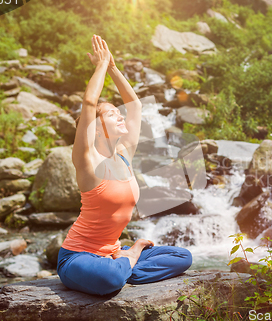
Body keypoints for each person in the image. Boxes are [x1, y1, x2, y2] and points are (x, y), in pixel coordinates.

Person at [56, 35, 192, 296]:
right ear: (96, 129)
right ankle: (127, 260)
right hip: (77, 257)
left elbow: (136, 106)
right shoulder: (87, 160)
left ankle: (122, 265)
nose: (119, 115)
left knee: (181, 256)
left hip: (112, 253)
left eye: (118, 113)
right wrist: (100, 66)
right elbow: (88, 104)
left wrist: (113, 68)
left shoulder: (124, 154)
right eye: (110, 113)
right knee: (110, 279)